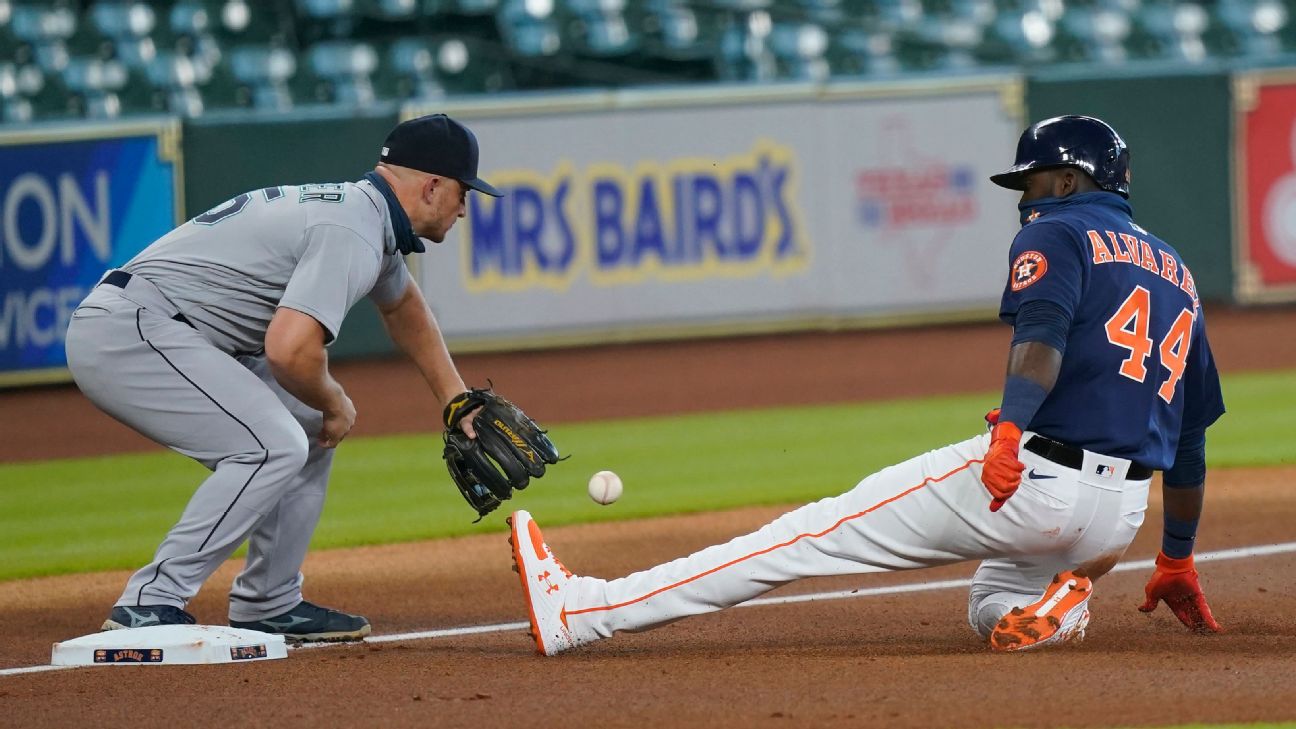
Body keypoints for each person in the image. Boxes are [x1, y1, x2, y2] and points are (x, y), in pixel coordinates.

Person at [509, 115, 1226, 655]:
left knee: (802, 535)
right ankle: (1064, 604)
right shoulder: (1180, 275)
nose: (1024, 197)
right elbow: (1190, 437)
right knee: (995, 596)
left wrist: (1008, 432)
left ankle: (581, 609)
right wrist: (1177, 556)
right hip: (1118, 518)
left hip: (1031, 482)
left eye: (1032, 181)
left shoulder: (1059, 231)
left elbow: (1039, 342)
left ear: (1068, 181)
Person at [66, 113, 499, 642]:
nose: (463, 207)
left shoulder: (366, 219)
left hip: (170, 330)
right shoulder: (352, 231)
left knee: (306, 425)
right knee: (271, 445)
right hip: (132, 331)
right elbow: (290, 352)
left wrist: (455, 400)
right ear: (432, 186)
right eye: (462, 192)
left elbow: (404, 307)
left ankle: (267, 600)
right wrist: (336, 399)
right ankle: (150, 600)